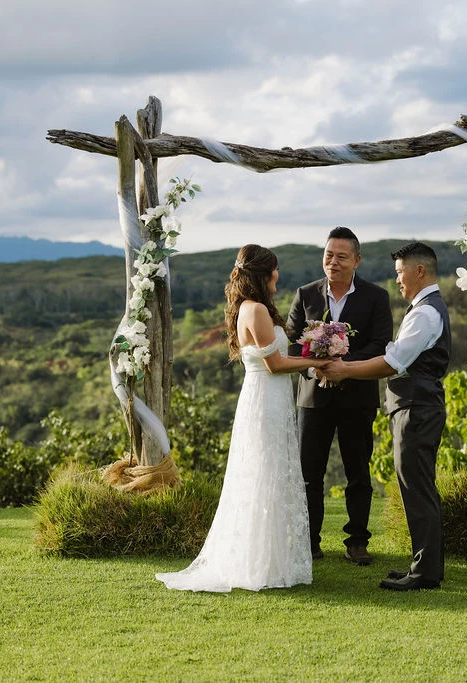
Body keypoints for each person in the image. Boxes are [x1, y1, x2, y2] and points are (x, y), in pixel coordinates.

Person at [156, 245, 327, 593]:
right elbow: (275, 364)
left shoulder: (248, 308)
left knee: (268, 475)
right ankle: (260, 566)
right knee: (266, 474)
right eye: (275, 270)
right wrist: (316, 363)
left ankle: (267, 560)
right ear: (263, 274)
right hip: (266, 400)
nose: (278, 275)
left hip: (267, 398)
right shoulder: (257, 310)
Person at [319, 242, 450, 591]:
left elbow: (393, 362)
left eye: (400, 273)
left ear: (419, 271)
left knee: (417, 488)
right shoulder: (425, 308)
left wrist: (344, 370)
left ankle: (424, 574)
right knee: (417, 487)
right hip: (416, 406)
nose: (398, 281)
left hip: (417, 408)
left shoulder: (424, 313)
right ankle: (426, 567)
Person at [287, 227, 393, 565]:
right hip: (313, 399)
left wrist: (343, 365)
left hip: (357, 397)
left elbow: (380, 344)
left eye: (341, 256)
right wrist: (314, 368)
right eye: (328, 255)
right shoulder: (305, 294)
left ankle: (357, 542)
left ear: (356, 260)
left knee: (358, 473)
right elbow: (291, 344)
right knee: (308, 475)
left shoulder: (377, 297)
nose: (333, 261)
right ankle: (309, 541)